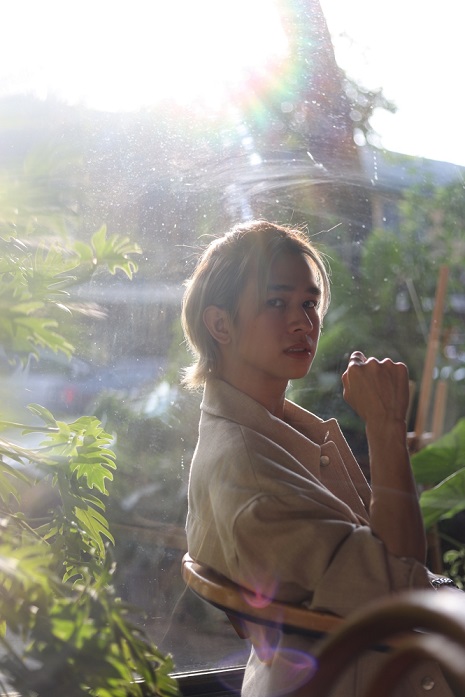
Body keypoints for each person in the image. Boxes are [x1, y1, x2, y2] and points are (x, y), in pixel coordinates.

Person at [181, 220, 454, 697]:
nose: (302, 322)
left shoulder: (267, 431)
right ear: (220, 324)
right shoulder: (254, 475)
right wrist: (386, 425)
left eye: (309, 303)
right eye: (276, 302)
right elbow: (401, 591)